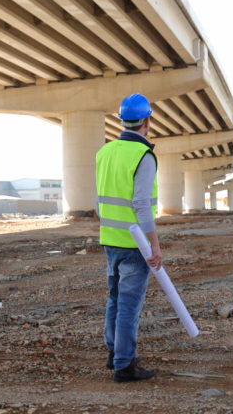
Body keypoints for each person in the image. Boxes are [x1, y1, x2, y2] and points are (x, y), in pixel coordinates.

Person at [95, 92, 163, 383]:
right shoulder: (143, 156)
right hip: (135, 244)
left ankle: (114, 353)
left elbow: (99, 201)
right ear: (146, 121)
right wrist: (154, 244)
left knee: (114, 300)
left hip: (110, 240)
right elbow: (140, 204)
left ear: (122, 121)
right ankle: (124, 365)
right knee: (129, 306)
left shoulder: (104, 152)